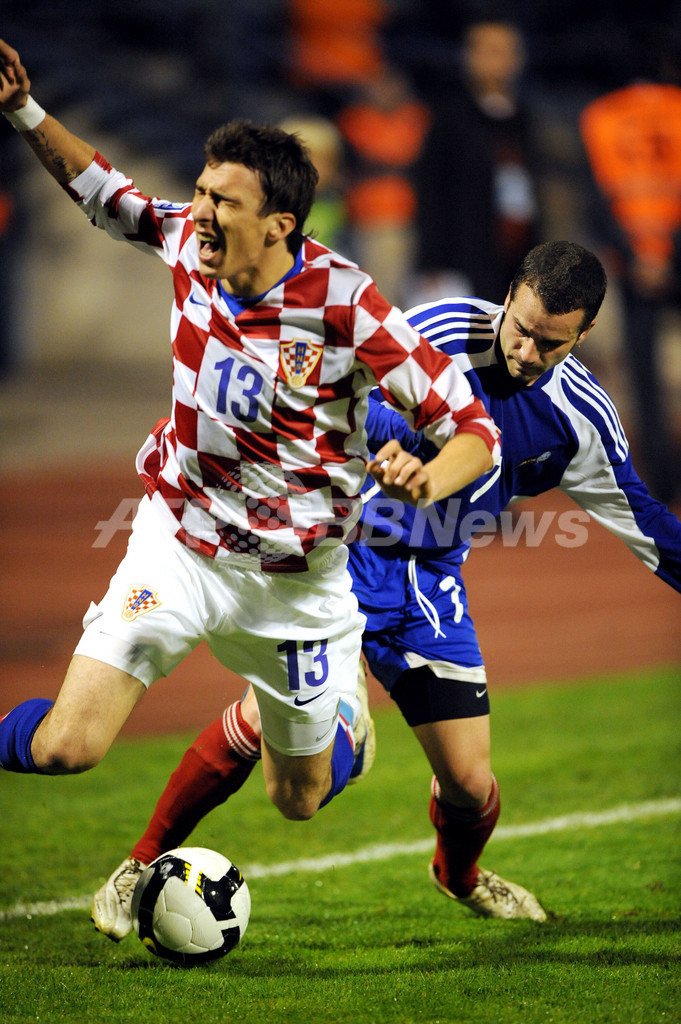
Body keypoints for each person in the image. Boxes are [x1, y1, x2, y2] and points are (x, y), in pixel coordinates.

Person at [90, 240, 681, 940]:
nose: (526, 351)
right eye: (520, 328)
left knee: (468, 784)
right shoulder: (435, 332)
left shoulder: (578, 420)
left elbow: (647, 525)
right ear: (510, 294)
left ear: (583, 335)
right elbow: (324, 396)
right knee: (270, 737)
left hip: (426, 586)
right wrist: (380, 442)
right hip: (333, 561)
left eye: (550, 344)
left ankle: (458, 875)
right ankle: (137, 865)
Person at [0, 38, 501, 829]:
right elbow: (106, 193)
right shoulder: (187, 246)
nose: (198, 211)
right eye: (200, 191)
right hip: (181, 544)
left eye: (221, 202)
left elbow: (471, 427)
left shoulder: (348, 305)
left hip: (296, 583)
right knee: (69, 746)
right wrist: (22, 109)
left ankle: (340, 723)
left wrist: (430, 479)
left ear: (278, 225)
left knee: (295, 800)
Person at [579, 36, 681, 505]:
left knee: (644, 377)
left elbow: (597, 199)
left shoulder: (599, 115)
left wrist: (639, 254)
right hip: (674, 253)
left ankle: (661, 480)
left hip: (633, 259)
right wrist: (666, 251)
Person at [411, 19, 541, 307]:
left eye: (505, 51)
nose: (498, 60)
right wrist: (431, 259)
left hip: (519, 256)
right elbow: (431, 190)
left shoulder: (527, 120)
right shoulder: (449, 118)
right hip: (464, 258)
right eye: (488, 51)